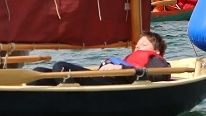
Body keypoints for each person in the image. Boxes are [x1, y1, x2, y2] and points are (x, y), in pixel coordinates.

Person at [36, 31, 171, 84]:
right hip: (102, 79)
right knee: (39, 73)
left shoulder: (156, 59)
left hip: (115, 84)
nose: (138, 47)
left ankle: (68, 105)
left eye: (144, 45)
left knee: (60, 67)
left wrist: (121, 68)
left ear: (157, 51)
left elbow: (160, 75)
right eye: (137, 45)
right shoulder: (132, 58)